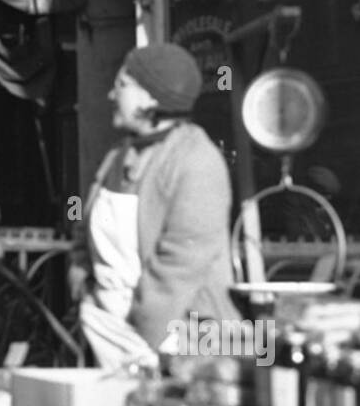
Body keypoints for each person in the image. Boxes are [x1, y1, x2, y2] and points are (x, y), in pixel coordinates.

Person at [69, 43, 240, 372]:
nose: (109, 94)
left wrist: (142, 331)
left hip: (177, 342)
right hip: (110, 336)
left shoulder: (196, 160)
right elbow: (84, 228)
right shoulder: (116, 158)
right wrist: (82, 282)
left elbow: (183, 261)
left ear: (149, 98)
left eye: (121, 85)